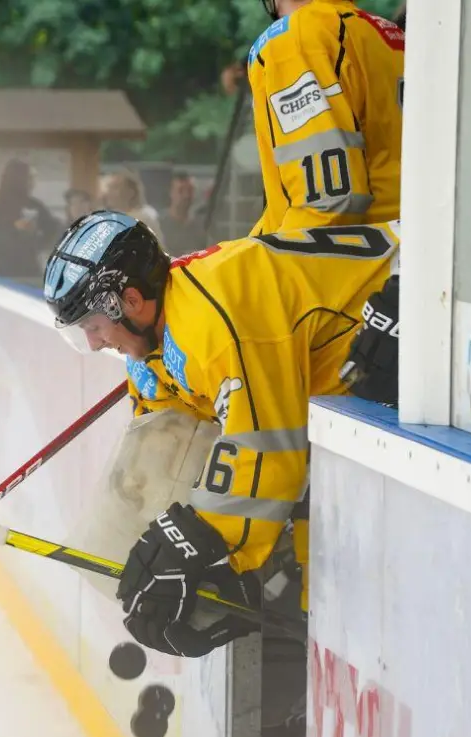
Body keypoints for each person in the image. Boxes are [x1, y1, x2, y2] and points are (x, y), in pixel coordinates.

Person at [42, 210, 405, 660]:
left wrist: (204, 545)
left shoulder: (214, 324)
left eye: (93, 326)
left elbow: (267, 447)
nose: (95, 344)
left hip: (437, 290)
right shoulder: (153, 344)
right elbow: (171, 451)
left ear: (130, 301)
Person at [244, 0, 405, 236]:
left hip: (355, 259)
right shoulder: (388, 35)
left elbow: (325, 206)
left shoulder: (295, 38)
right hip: (404, 249)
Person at [0, 158, 62, 278]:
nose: (33, 182)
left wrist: (37, 236)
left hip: (30, 271)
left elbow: (53, 231)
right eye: (29, 178)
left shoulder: (34, 205)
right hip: (0, 273)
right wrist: (13, 229)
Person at [158, 171, 206, 256]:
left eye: (190, 191)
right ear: (171, 192)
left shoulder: (202, 225)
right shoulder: (159, 224)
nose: (186, 196)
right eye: (181, 190)